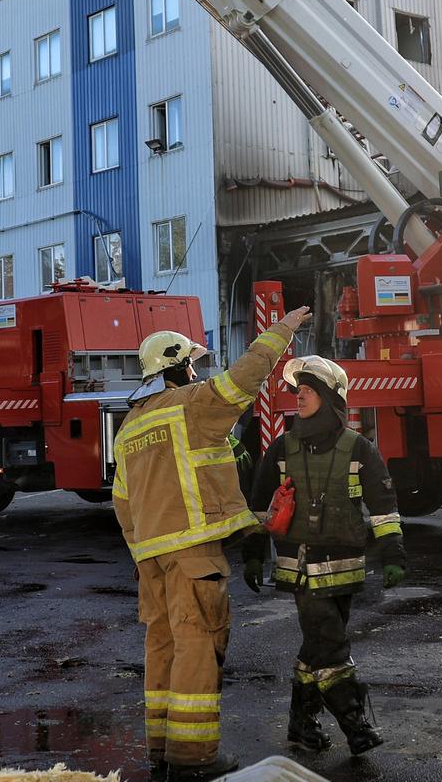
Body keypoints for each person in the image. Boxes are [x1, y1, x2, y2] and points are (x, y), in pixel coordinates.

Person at [115, 308, 310, 782]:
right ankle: (193, 757)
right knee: (198, 647)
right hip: (193, 555)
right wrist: (282, 330)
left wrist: (145, 553)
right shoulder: (192, 403)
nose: (197, 371)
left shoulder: (129, 428)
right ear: (178, 367)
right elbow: (245, 376)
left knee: (160, 647)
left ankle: (161, 749)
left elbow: (122, 504)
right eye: (192, 364)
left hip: (150, 559)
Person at [242, 356, 407, 758]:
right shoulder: (281, 448)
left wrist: (393, 553)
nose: (298, 397)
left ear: (330, 398)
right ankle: (356, 726)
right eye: (297, 390)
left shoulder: (360, 449)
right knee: (331, 645)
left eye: (308, 391)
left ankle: (302, 726)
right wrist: (251, 554)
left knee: (316, 647)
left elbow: (383, 506)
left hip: (345, 567)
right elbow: (258, 506)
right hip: (300, 568)